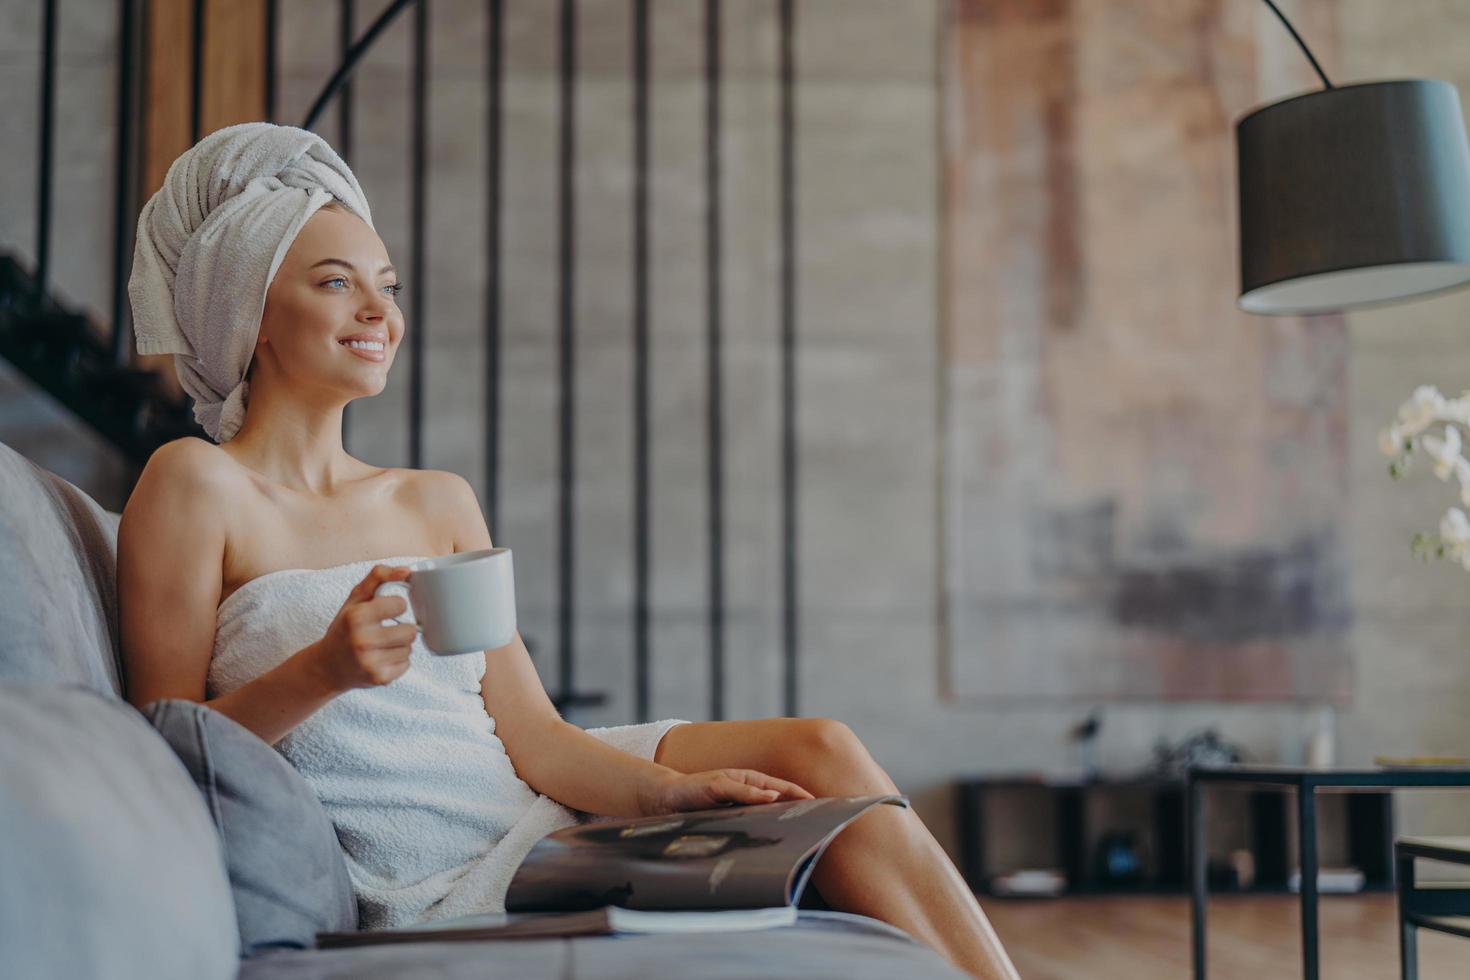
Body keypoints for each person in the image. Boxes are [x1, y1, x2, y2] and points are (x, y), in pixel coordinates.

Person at [116, 123, 1018, 980]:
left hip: (538, 811)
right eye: (334, 283)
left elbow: (534, 734)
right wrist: (324, 672)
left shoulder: (437, 499)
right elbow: (167, 756)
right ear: (250, 312)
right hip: (448, 876)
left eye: (387, 286)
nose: (377, 312)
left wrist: (668, 791)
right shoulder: (195, 484)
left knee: (818, 748)